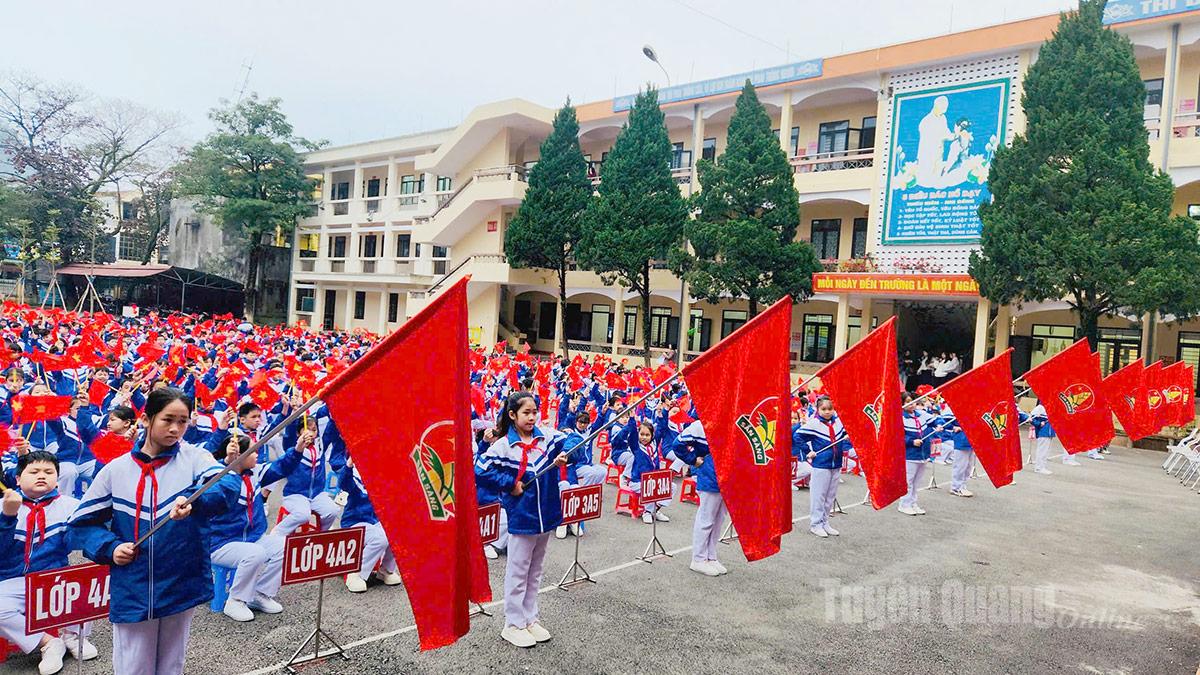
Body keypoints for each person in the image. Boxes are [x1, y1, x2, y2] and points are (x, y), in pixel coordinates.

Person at [69, 387, 241, 675]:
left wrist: (195, 500)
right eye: (167, 419)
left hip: (180, 581)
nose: (175, 429)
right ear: (147, 419)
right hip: (133, 585)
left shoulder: (195, 459)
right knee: (133, 666)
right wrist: (111, 547)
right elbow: (81, 524)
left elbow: (227, 485)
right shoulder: (116, 469)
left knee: (172, 664)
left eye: (182, 421)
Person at [474, 391, 571, 648]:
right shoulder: (504, 446)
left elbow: (573, 439)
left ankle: (530, 618)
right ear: (512, 414)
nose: (531, 417)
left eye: (534, 412)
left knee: (535, 571)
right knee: (518, 572)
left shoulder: (547, 437)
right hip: (523, 518)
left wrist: (566, 454)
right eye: (526, 413)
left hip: (546, 516)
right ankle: (513, 623)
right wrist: (510, 484)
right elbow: (479, 470)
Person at [0, 451, 97, 674]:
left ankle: (73, 636)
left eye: (49, 472)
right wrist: (7, 518)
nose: (41, 475)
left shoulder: (71, 505)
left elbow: (88, 538)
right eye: (34, 471)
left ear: (57, 478)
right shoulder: (3, 506)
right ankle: (47, 643)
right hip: (13, 580)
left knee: (87, 581)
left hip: (54, 579)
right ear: (17, 478)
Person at [208, 432, 311, 622]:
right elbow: (215, 492)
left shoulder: (255, 473)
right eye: (253, 450)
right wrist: (228, 464)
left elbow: (280, 467)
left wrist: (297, 449)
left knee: (287, 546)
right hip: (221, 543)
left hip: (253, 538)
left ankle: (260, 593)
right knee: (255, 554)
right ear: (239, 455)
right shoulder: (217, 476)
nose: (258, 453)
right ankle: (235, 600)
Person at [670, 420, 728, 576]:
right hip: (710, 477)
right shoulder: (700, 425)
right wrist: (693, 460)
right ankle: (698, 558)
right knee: (706, 519)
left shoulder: (729, 422)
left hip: (726, 479)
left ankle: (711, 556)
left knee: (719, 519)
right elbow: (678, 444)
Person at [337, 455, 403, 593]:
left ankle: (386, 569)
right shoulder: (354, 474)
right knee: (380, 538)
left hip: (374, 521)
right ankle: (355, 573)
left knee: (397, 531)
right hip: (354, 522)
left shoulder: (377, 473)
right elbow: (343, 483)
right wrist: (350, 464)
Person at [796, 396, 849, 537]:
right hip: (821, 465)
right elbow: (797, 436)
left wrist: (848, 436)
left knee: (830, 496)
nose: (827, 412)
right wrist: (808, 451)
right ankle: (815, 524)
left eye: (830, 409)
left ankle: (825, 522)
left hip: (836, 464)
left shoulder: (838, 422)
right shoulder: (814, 424)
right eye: (823, 409)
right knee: (818, 496)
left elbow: (845, 434)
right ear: (818, 409)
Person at [610, 417, 670, 524]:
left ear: (652, 436)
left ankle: (655, 509)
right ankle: (647, 512)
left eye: (647, 435)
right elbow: (632, 434)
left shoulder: (654, 444)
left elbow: (661, 428)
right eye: (642, 434)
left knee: (671, 487)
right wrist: (632, 418)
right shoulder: (636, 447)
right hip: (637, 482)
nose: (644, 437)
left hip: (653, 480)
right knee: (650, 487)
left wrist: (662, 414)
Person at [898, 393, 930, 515]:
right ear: (902, 403)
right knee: (908, 481)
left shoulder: (921, 414)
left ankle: (913, 503)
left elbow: (935, 420)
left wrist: (938, 425)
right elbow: (897, 436)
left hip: (923, 454)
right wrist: (911, 442)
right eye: (908, 402)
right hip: (910, 455)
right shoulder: (900, 418)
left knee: (917, 482)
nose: (912, 404)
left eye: (913, 401)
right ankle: (904, 504)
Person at [1030, 399, 1055, 475]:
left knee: (1045, 451)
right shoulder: (1040, 407)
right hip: (1043, 432)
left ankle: (1042, 466)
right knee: (1042, 451)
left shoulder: (1050, 408)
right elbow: (1031, 418)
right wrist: (1039, 424)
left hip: (1049, 432)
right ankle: (1038, 467)